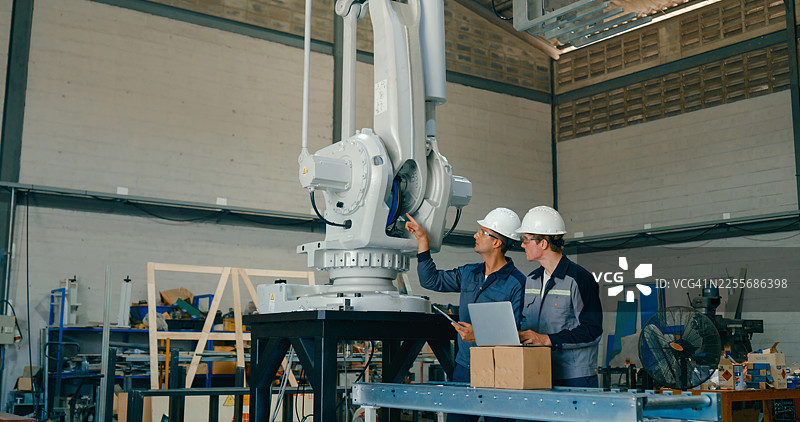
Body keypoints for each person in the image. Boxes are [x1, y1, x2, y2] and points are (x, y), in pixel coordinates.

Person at [405, 208, 526, 422]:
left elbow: (517, 334)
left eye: (482, 232)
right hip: (464, 367)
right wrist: (423, 240)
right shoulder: (470, 273)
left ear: (497, 242)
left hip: (499, 372)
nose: (475, 235)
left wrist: (478, 335)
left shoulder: (517, 283)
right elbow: (431, 280)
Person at [516, 206, 603, 388]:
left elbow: (592, 331)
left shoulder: (580, 279)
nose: (522, 245)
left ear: (543, 243)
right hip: (540, 371)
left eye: (526, 239)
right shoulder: (531, 280)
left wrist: (547, 339)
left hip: (575, 377)